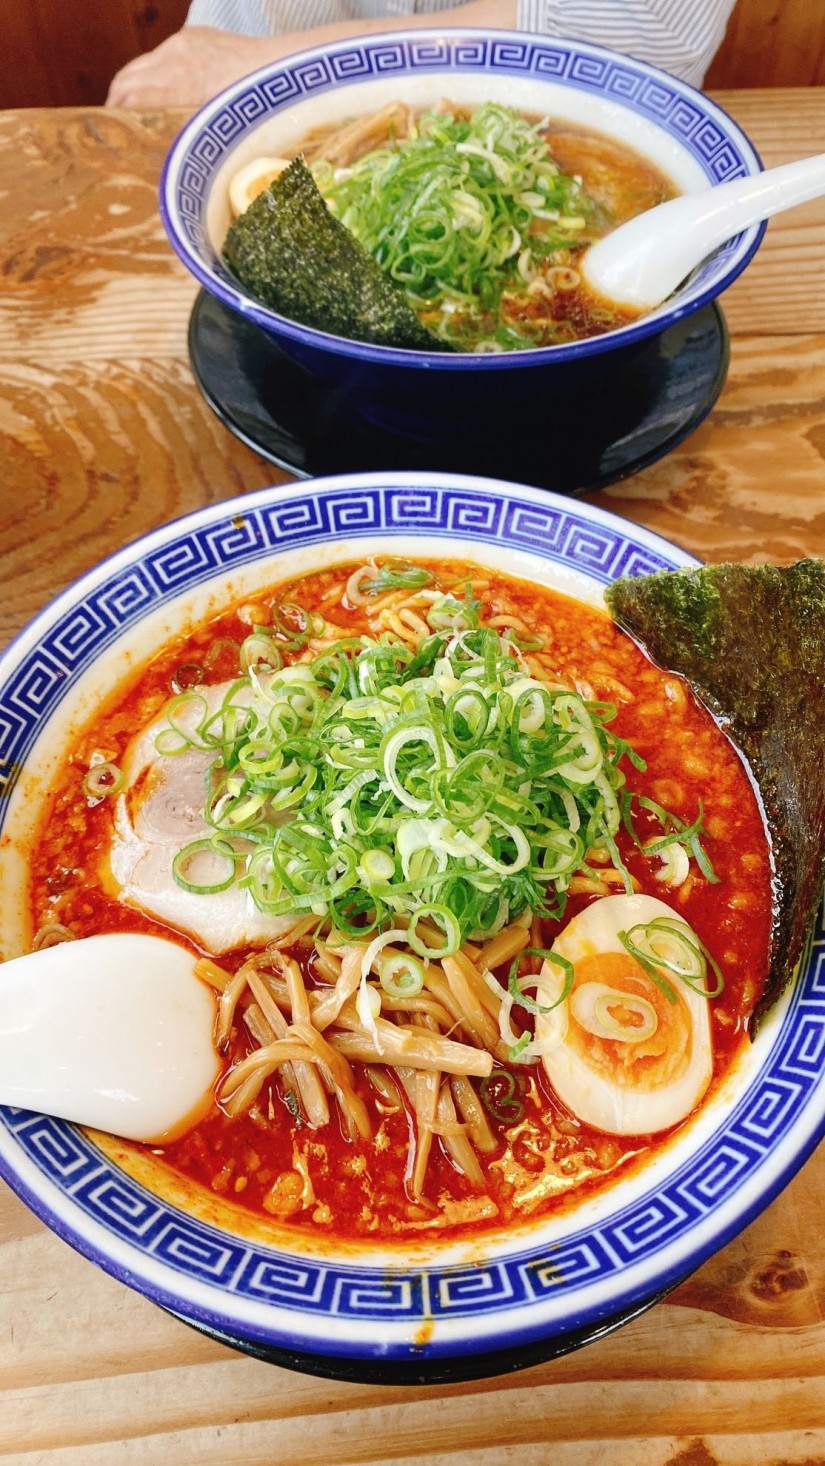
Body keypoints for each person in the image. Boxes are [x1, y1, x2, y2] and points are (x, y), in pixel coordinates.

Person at [106, 0, 737, 110]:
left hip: (563, 159)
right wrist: (233, 71)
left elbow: (653, 30)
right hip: (310, 160)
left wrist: (252, 65)